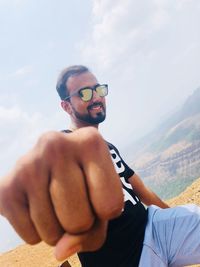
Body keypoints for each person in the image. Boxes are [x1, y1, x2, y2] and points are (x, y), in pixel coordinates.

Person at [0, 65, 200, 267]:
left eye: (98, 90)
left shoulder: (108, 147)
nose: (95, 97)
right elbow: (55, 165)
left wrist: (173, 216)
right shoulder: (67, 146)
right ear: (66, 106)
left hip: (156, 227)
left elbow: (142, 191)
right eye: (84, 93)